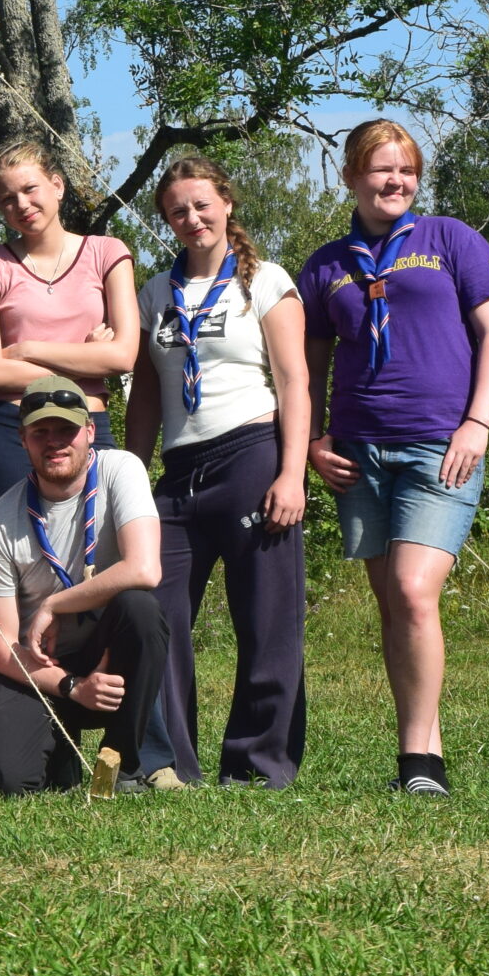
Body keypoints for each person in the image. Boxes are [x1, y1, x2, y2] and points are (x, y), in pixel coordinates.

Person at [299, 120, 489, 798]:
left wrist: (478, 423)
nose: (395, 181)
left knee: (415, 592)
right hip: (357, 454)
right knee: (395, 607)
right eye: (380, 169)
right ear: (350, 177)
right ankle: (425, 745)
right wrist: (313, 441)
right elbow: (308, 368)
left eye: (407, 170)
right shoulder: (325, 264)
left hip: (439, 447)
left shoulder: (451, 239)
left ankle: (418, 764)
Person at [126, 153, 310, 789]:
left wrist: (292, 474)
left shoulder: (266, 281)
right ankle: (167, 762)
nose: (192, 218)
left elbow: (294, 381)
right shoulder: (155, 293)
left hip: (251, 455)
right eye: (177, 210)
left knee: (266, 617)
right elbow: (145, 397)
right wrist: (133, 477)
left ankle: (257, 764)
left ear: (227, 204)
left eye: (202, 204)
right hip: (179, 472)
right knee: (155, 609)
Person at [0, 376, 169, 796]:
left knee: (141, 610)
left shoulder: (121, 469)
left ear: (90, 431)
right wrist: (72, 687)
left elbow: (144, 569)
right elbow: (3, 650)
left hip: (107, 653)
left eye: (67, 429)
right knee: (1, 781)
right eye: (40, 432)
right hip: (41, 664)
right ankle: (61, 754)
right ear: (23, 440)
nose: (54, 442)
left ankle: (120, 767)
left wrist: (54, 604)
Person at [0, 140, 137, 518]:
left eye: (30, 189)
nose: (22, 204)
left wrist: (28, 349)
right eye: (7, 199)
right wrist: (87, 358)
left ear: (57, 186)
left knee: (98, 546)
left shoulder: (107, 253)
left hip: (88, 425)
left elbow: (123, 356)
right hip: (12, 431)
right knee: (10, 549)